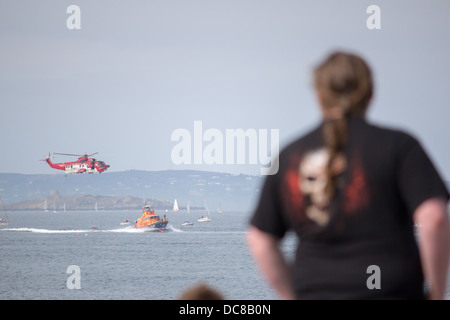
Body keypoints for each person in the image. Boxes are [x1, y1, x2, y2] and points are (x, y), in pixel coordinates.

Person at [247, 51, 450, 300]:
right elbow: (434, 218)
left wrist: (291, 296)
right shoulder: (399, 147)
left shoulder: (290, 157)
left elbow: (260, 239)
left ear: (319, 96)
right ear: (370, 94)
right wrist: (437, 293)